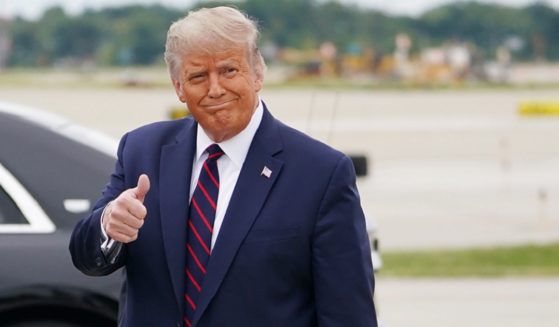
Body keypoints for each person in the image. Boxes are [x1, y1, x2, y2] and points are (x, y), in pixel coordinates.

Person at [70, 6, 377, 327]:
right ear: (178, 87)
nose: (215, 89)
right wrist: (108, 226)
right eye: (198, 76)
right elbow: (85, 256)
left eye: (229, 71)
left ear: (258, 73)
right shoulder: (142, 150)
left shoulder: (321, 173)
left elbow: (348, 314)